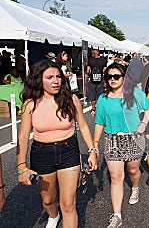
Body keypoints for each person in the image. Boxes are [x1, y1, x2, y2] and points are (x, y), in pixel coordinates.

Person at [17, 60, 98, 228]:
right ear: (39, 79)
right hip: (41, 153)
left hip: (69, 151)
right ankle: (53, 216)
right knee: (48, 200)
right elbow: (23, 135)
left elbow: (83, 125)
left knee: (68, 204)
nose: (56, 81)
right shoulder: (30, 104)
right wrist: (21, 165)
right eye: (49, 77)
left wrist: (92, 151)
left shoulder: (71, 99)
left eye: (58, 77)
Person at [93, 62, 149, 228]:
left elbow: (148, 109)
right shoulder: (103, 98)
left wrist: (143, 125)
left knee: (133, 170)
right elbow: (99, 122)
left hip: (133, 138)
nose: (112, 79)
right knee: (116, 177)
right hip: (112, 140)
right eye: (109, 77)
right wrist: (95, 145)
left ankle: (135, 187)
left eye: (116, 76)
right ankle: (117, 215)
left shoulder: (135, 93)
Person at [87, 49, 107, 116]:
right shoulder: (103, 60)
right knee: (99, 95)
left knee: (92, 95)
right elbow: (105, 70)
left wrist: (90, 75)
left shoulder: (90, 60)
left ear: (93, 54)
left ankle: (93, 109)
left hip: (92, 80)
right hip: (100, 80)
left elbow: (87, 71)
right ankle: (99, 109)